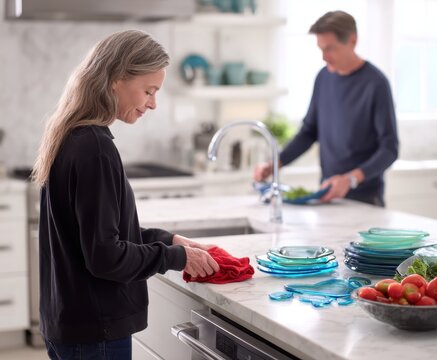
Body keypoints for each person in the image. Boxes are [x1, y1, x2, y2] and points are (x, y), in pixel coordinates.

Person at [32, 30, 220, 360]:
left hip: (68, 322)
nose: (153, 103)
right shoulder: (96, 148)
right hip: (95, 331)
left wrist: (171, 240)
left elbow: (95, 237)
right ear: (117, 78)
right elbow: (106, 256)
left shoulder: (71, 134)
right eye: (148, 90)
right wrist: (175, 258)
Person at [255, 11, 399, 207]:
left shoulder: (376, 83)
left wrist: (350, 179)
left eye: (330, 49)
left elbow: (390, 149)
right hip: (327, 195)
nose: (324, 57)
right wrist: (275, 164)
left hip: (366, 199)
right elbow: (308, 132)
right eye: (320, 49)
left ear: (352, 41)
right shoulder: (323, 78)